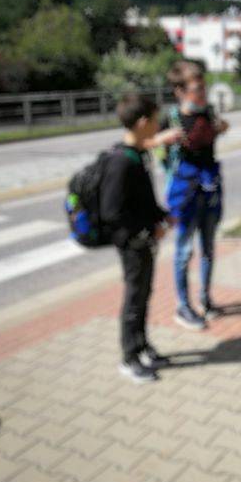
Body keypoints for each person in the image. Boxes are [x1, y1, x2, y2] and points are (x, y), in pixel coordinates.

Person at [100, 93, 181, 384]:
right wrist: (148, 230)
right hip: (133, 243)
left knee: (144, 294)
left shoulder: (138, 154)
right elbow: (113, 213)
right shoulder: (122, 162)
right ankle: (129, 358)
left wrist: (161, 215)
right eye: (157, 120)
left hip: (144, 239)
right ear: (144, 122)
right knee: (134, 299)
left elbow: (142, 201)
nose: (159, 126)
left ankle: (143, 346)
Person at [157, 60, 229, 330]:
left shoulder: (208, 113)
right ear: (180, 91)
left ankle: (206, 299)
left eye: (204, 88)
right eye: (197, 89)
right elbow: (152, 149)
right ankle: (183, 305)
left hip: (210, 186)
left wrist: (223, 127)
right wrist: (163, 140)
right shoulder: (171, 118)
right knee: (185, 250)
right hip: (185, 190)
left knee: (209, 246)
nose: (203, 94)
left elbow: (221, 128)